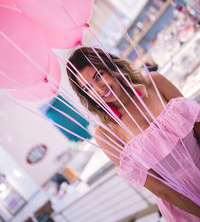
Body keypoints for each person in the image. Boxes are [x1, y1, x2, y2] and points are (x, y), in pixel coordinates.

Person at [66, 47, 200, 221]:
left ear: (111, 67)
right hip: (184, 203)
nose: (99, 89)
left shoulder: (155, 83)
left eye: (98, 75)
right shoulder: (106, 135)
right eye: (88, 88)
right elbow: (161, 189)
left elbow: (197, 125)